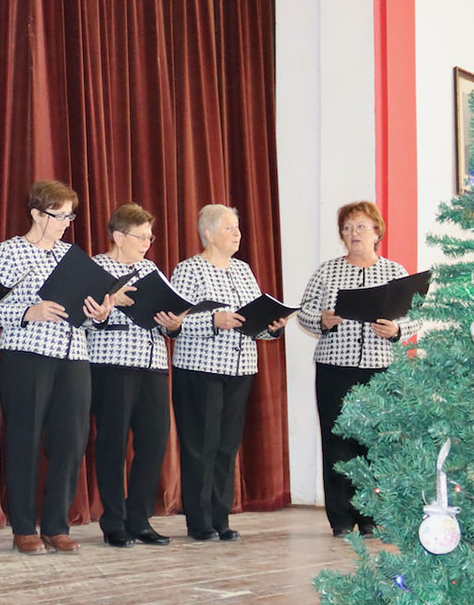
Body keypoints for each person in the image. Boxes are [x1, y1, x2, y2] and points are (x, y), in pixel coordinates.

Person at [0, 181, 113, 555]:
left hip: (73, 356)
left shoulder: (72, 254)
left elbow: (85, 311)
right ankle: (24, 527)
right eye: (58, 216)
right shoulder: (10, 251)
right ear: (36, 214)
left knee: (71, 441)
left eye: (69, 217)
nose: (64, 224)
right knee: (24, 440)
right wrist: (29, 311)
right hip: (26, 355)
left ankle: (56, 525)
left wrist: (99, 314)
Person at [297, 201, 419, 537]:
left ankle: (370, 517)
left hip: (380, 369)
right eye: (348, 228)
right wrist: (321, 321)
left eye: (361, 227)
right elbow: (304, 312)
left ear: (377, 232)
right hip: (335, 367)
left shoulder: (394, 272)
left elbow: (416, 315)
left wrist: (397, 330)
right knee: (337, 440)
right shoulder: (327, 271)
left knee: (375, 442)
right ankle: (340, 518)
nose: (354, 234)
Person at [170, 204, 286, 542]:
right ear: (208, 233)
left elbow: (252, 321)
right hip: (200, 369)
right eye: (228, 228)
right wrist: (213, 320)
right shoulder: (189, 269)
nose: (237, 233)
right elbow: (173, 322)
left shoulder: (243, 270)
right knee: (201, 446)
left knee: (226, 446)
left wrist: (272, 326)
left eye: (237, 227)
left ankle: (221, 517)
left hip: (240, 368)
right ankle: (199, 521)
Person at [87, 203, 183, 548]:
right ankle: (113, 521)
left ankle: (139, 519)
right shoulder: (98, 267)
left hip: (153, 365)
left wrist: (174, 323)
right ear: (118, 236)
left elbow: (168, 313)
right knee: (112, 443)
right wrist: (111, 302)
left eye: (149, 237)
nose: (147, 243)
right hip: (111, 364)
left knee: (154, 441)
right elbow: (83, 318)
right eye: (140, 236)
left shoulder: (150, 269)